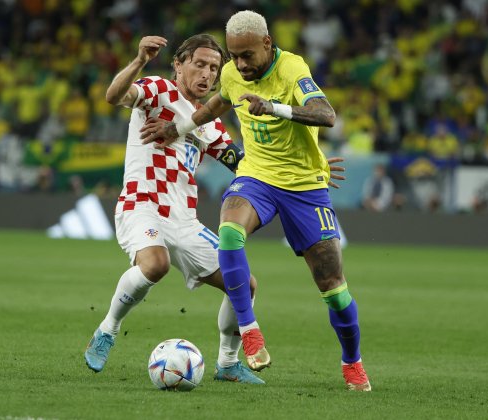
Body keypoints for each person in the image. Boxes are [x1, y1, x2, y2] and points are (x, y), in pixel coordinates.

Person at [141, 10, 371, 391]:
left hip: (304, 187)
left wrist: (273, 107)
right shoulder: (232, 74)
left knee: (333, 286)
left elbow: (326, 115)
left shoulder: (293, 69)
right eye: (233, 56)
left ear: (267, 44)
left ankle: (352, 363)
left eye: (247, 55)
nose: (239, 65)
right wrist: (176, 127)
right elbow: (217, 105)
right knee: (230, 230)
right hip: (257, 176)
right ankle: (249, 330)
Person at [84, 34, 265, 384]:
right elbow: (114, 96)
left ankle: (227, 363)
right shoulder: (157, 90)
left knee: (244, 284)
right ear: (178, 65)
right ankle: (107, 329)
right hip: (142, 204)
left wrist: (306, 168)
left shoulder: (210, 123)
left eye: (214, 68)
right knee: (156, 263)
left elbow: (244, 166)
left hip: (184, 219)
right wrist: (138, 60)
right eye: (199, 64)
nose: (207, 74)